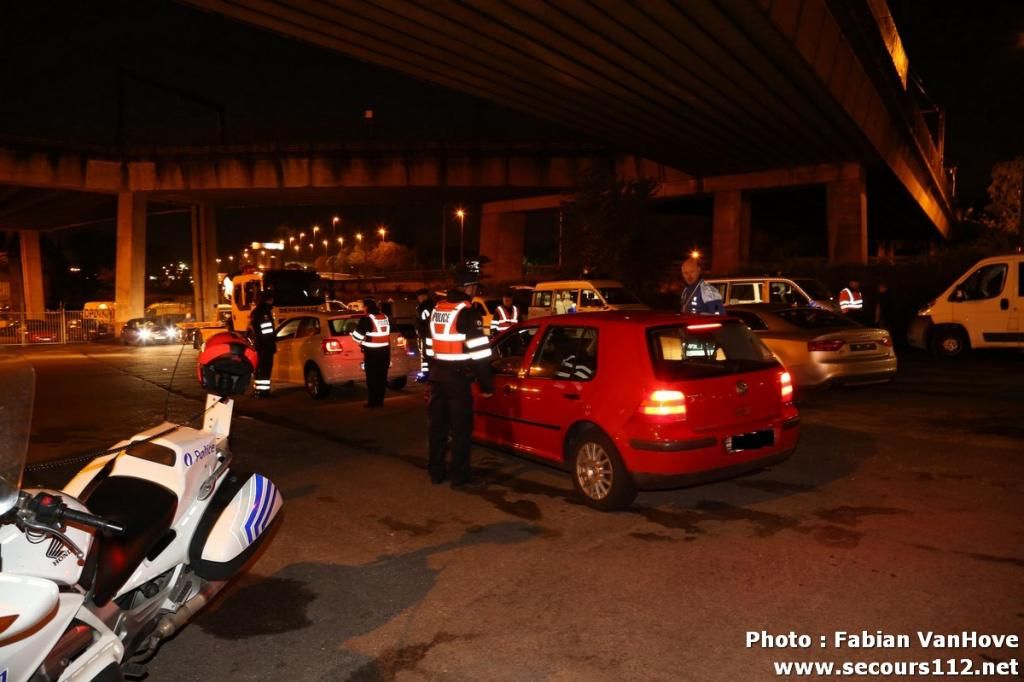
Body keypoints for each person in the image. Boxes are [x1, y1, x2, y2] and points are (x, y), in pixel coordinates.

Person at [425, 269, 494, 489]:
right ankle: (459, 476)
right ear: (470, 288)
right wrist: (486, 385)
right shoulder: (467, 312)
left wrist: (429, 372)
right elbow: (480, 353)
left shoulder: (438, 308)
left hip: (438, 376)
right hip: (457, 380)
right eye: (475, 288)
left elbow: (428, 345)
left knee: (438, 428)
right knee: (461, 429)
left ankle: (436, 472)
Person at [352, 299, 391, 408]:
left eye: (363, 307)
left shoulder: (367, 319)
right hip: (385, 352)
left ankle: (373, 402)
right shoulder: (384, 317)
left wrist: (360, 340)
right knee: (382, 378)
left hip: (372, 354)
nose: (363, 309)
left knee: (372, 379)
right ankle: (380, 402)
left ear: (366, 307)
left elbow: (357, 337)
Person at [248, 289, 277, 398]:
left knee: (260, 368)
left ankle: (259, 391)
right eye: (272, 298)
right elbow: (266, 331)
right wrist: (271, 342)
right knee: (265, 368)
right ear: (268, 299)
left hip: (261, 345)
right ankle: (263, 392)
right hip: (265, 346)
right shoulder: (264, 312)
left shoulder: (258, 311)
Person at [414, 288, 434, 382]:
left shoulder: (426, 306)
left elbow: (422, 318)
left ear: (425, 296)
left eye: (420, 297)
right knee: (425, 356)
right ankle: (426, 374)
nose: (419, 299)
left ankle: (427, 375)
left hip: (427, 335)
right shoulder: (424, 306)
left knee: (427, 356)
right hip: (425, 335)